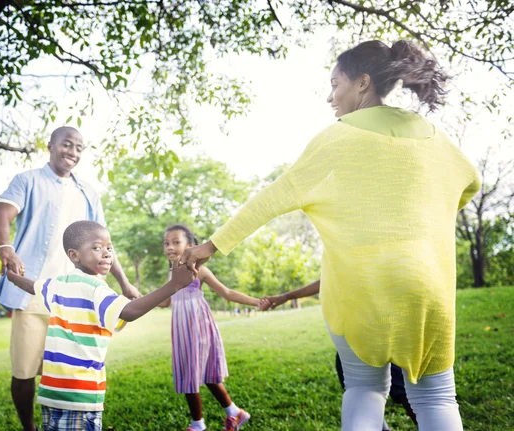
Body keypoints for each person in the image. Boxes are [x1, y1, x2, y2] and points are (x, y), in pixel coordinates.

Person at [180, 40, 481, 431]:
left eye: (335, 83)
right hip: (429, 289)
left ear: (362, 82)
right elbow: (470, 182)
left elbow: (273, 196)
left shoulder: (336, 137)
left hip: (360, 289)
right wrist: (421, 213)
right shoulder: (432, 135)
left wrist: (211, 245)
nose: (329, 96)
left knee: (365, 389)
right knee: (435, 396)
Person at [0, 126, 141, 431]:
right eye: (67, 145)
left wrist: (123, 282)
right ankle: (30, 427)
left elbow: (104, 243)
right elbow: (1, 214)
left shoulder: (88, 192)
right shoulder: (27, 181)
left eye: (79, 148)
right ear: (51, 146)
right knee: (24, 369)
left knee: (65, 372)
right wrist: (6, 247)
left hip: (77, 299)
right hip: (33, 292)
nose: (72, 152)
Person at [5, 221, 194, 431]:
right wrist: (174, 285)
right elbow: (129, 311)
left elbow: (32, 286)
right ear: (74, 255)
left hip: (52, 393)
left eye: (109, 248)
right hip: (81, 394)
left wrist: (12, 276)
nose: (106, 254)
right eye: (97, 248)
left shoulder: (57, 284)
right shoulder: (96, 289)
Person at [259, 281, 418, 430]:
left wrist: (286, 297)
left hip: (388, 322)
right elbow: (328, 276)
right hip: (361, 326)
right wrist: (286, 297)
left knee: (399, 390)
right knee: (360, 386)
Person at [160, 225, 256, 431]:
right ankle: (235, 413)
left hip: (198, 328)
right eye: (166, 243)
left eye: (176, 242)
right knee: (197, 375)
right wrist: (134, 297)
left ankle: (198, 425)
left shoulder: (200, 271)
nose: (170, 247)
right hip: (182, 330)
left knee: (195, 375)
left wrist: (257, 302)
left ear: (191, 246)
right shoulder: (170, 275)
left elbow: (227, 293)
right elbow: (163, 302)